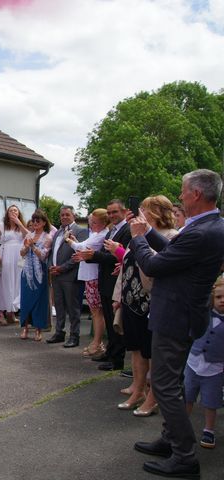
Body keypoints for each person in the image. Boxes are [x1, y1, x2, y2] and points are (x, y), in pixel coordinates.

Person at [129, 169, 224, 479]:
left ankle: (184, 456)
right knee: (174, 385)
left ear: (196, 194)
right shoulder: (210, 226)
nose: (180, 197)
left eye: (183, 192)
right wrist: (149, 233)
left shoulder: (201, 231)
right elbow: (174, 251)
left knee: (166, 387)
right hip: (185, 315)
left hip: (175, 316)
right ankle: (170, 440)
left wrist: (139, 238)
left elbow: (155, 264)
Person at [110, 195, 177, 416]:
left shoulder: (170, 237)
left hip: (152, 302)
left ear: (157, 212)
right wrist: (118, 296)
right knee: (136, 348)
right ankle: (137, 390)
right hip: (131, 300)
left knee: (153, 352)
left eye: (144, 210)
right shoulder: (136, 235)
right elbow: (125, 266)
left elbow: (155, 266)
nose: (139, 214)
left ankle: (153, 397)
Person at [75, 199, 131, 371]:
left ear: (123, 211)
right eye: (110, 212)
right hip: (105, 281)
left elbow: (117, 257)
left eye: (115, 212)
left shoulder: (126, 230)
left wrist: (94, 256)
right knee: (108, 319)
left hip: (115, 282)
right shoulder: (111, 232)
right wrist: (90, 257)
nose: (112, 215)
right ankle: (109, 352)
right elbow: (104, 255)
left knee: (115, 322)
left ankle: (117, 359)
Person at [184, 276, 224, 450]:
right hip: (193, 362)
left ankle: (209, 429)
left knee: (211, 401)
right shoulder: (204, 313)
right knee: (187, 396)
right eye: (218, 297)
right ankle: (182, 426)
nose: (222, 301)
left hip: (215, 368)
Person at [66, 208, 110, 357]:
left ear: (104, 222)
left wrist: (69, 240)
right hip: (89, 275)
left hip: (93, 275)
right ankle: (97, 342)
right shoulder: (97, 233)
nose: (92, 225)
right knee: (95, 311)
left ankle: (97, 342)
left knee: (97, 312)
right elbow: (83, 246)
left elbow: (82, 247)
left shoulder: (102, 234)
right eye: (91, 222)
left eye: (95, 222)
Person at [47, 206, 88, 347]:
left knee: (73, 308)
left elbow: (77, 255)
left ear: (73, 216)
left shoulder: (81, 231)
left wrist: (61, 268)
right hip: (56, 275)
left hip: (70, 276)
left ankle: (74, 336)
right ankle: (59, 332)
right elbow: (52, 252)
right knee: (58, 306)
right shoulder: (58, 232)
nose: (64, 217)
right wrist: (51, 267)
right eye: (62, 215)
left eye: (67, 215)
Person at [19, 209, 52, 342]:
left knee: (39, 301)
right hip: (27, 272)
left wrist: (33, 246)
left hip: (40, 273)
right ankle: (25, 327)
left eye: (38, 220)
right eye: (33, 220)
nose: (35, 223)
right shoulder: (28, 235)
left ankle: (39, 329)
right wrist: (26, 247)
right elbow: (22, 253)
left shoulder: (48, 237)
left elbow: (44, 256)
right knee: (26, 300)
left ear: (44, 222)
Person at [0, 205, 28, 325]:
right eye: (11, 210)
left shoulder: (21, 226)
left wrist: (19, 223)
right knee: (5, 282)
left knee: (17, 283)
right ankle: (1, 311)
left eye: (15, 210)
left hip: (19, 257)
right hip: (6, 255)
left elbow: (28, 236)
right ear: (7, 213)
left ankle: (11, 311)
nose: (13, 212)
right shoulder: (1, 226)